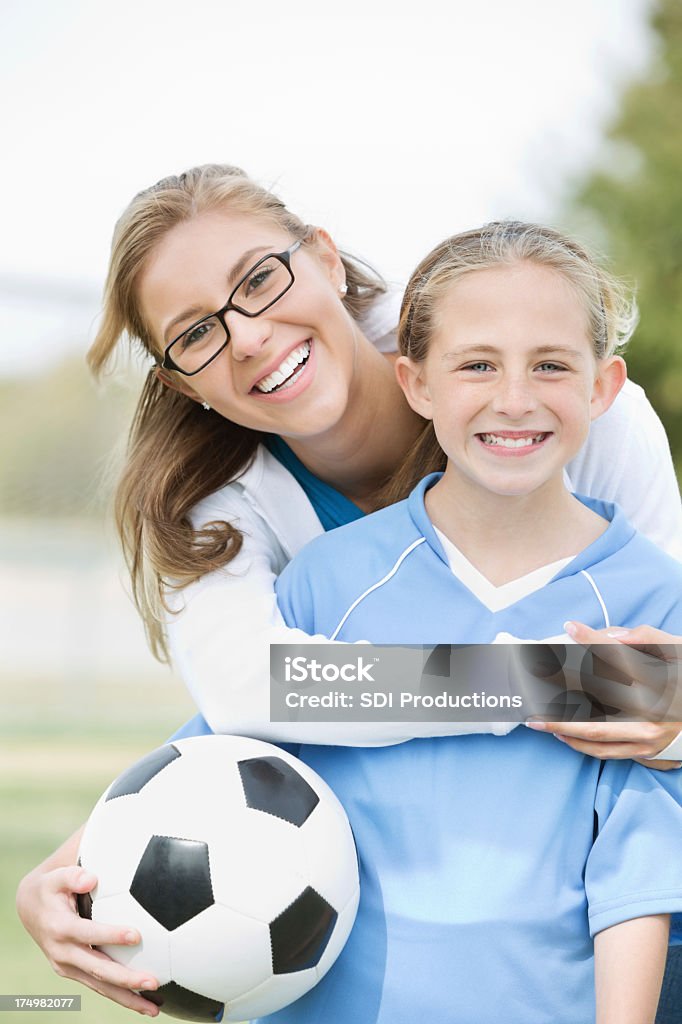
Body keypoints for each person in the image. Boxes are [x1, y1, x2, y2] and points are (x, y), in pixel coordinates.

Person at [15, 166, 682, 1018]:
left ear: (326, 259)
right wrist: (84, 853)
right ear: (182, 381)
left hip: (583, 933)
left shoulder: (557, 397)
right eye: (196, 334)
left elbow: (656, 664)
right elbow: (255, 698)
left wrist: (661, 711)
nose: (250, 336)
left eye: (259, 279)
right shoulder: (215, 513)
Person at [270, 221, 682, 1024]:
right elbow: (229, 756)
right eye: (479, 364)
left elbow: (638, 871)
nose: (516, 399)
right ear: (416, 384)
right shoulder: (331, 580)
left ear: (603, 388)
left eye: (552, 365)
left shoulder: (650, 602)